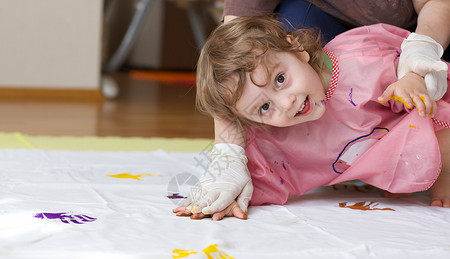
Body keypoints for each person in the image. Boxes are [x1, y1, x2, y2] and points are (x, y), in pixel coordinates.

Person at [173, 15, 450, 220]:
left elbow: (424, 74)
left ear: (296, 49)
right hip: (377, 154)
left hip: (416, 120)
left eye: (281, 79)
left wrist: (411, 81)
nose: (286, 102)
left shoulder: (362, 60)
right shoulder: (278, 134)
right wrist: (228, 199)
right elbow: (261, 174)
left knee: (436, 121)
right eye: (264, 108)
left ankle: (445, 172)